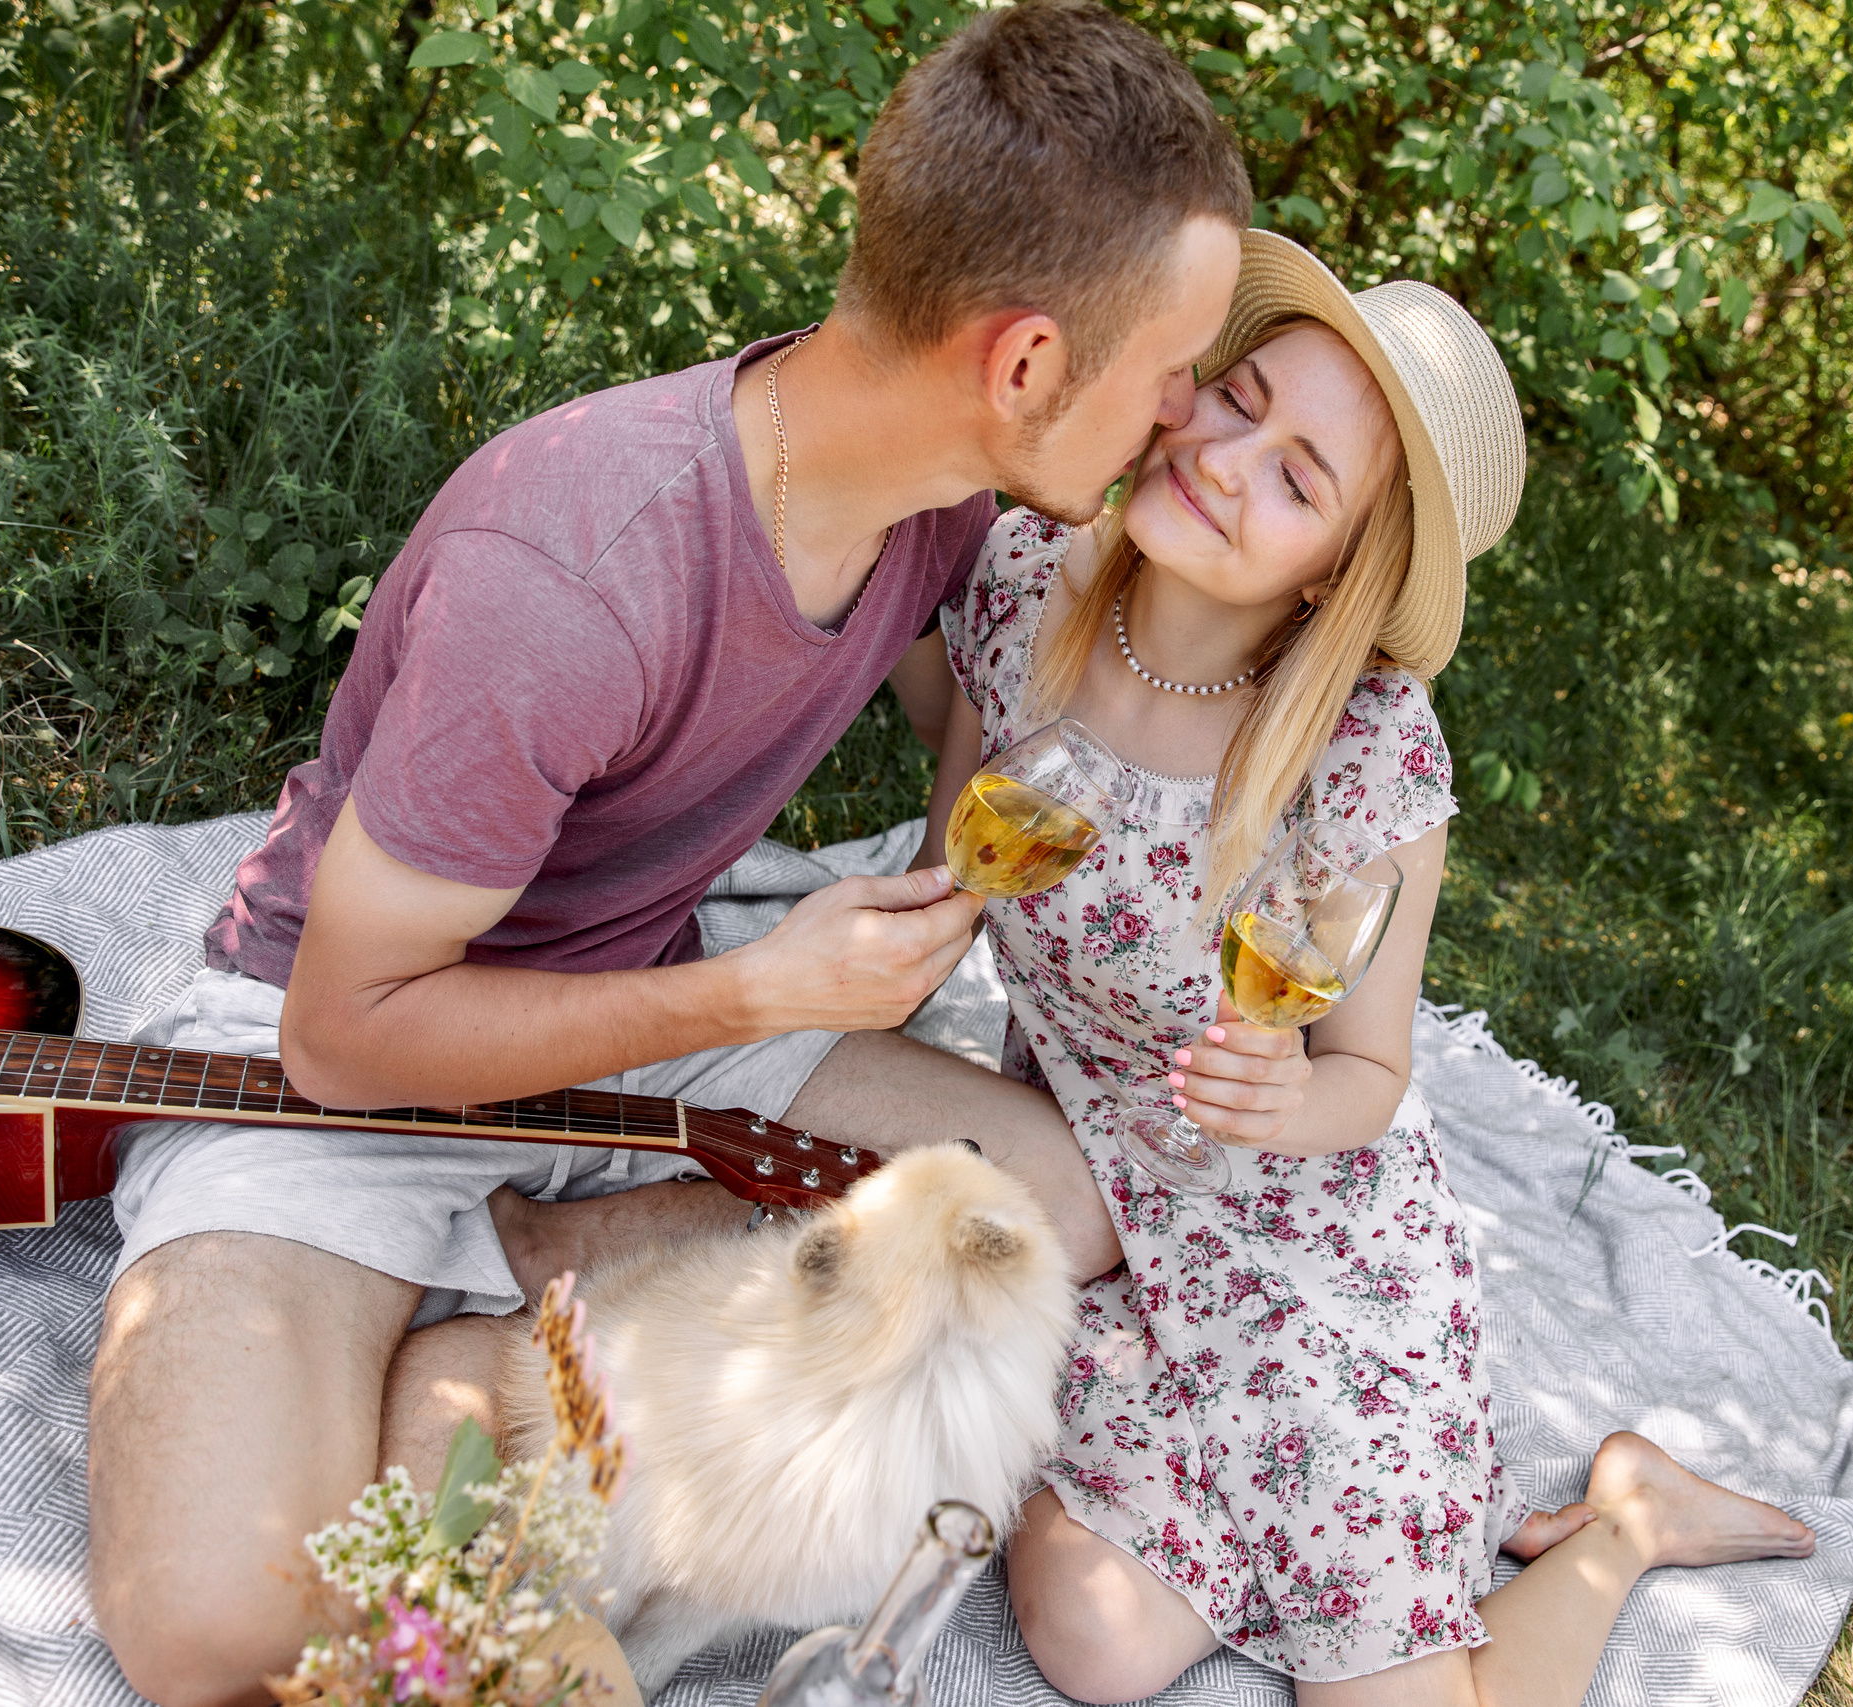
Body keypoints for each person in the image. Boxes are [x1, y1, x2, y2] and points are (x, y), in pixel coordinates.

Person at [82, 6, 1252, 1701]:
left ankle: (510, 1302)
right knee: (216, 1629)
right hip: (340, 1074)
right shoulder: (570, 576)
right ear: (1020, 365)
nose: (1185, 408)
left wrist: (948, 880)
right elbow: (349, 1028)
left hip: (661, 1018)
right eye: (1175, 362)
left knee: (1052, 1206)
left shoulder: (936, 506)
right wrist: (764, 981)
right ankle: (467, 1285)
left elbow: (965, 708)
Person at [916, 232, 1817, 1707]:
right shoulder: (1023, 583)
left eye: (1298, 478)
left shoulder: (1367, 757)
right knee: (1093, 1642)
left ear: (1341, 567)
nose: (1226, 460)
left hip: (1304, 1246)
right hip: (1098, 1200)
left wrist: (1284, 1097)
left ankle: (1625, 1523)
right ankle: (1276, 1532)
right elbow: (946, 860)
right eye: (1240, 401)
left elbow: (1371, 1077)